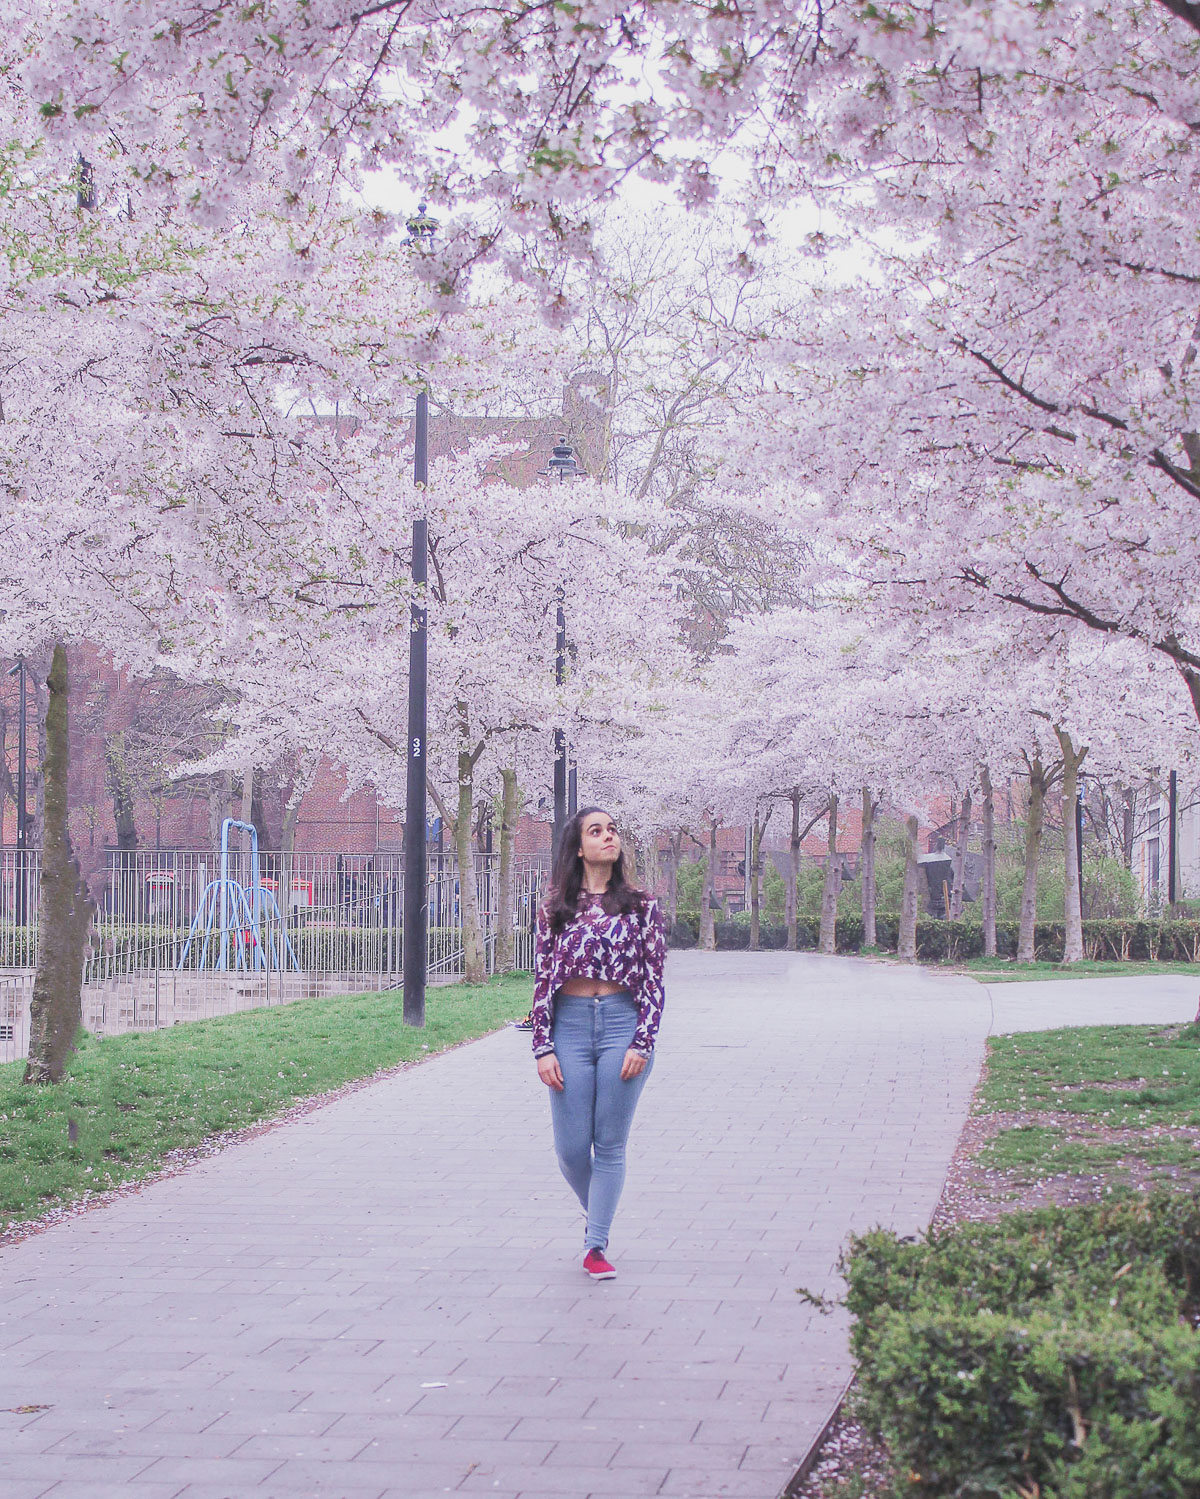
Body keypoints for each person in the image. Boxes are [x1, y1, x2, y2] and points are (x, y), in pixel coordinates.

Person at [531, 806, 667, 1281]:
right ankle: (600, 1211)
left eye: (612, 830)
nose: (608, 837)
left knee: (608, 1145)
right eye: (596, 831)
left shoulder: (641, 905)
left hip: (621, 1024)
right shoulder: (553, 907)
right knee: (571, 1150)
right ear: (578, 847)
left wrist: (642, 1041)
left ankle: (596, 1246)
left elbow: (654, 978)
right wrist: (542, 1046)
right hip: (568, 1027)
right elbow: (542, 978)